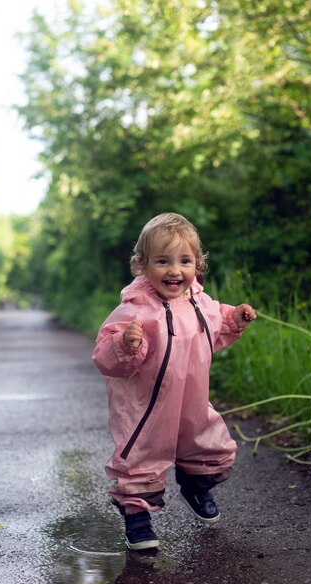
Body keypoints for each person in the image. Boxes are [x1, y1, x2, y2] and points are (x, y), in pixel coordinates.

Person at [92, 213, 256, 550]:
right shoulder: (134, 311)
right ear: (142, 265)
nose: (174, 270)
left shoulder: (200, 303)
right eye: (163, 261)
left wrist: (234, 319)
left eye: (184, 261)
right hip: (147, 406)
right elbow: (105, 357)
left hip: (191, 398)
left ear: (198, 264)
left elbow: (216, 323)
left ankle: (196, 486)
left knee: (207, 445)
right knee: (141, 456)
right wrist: (127, 344)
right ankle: (137, 517)